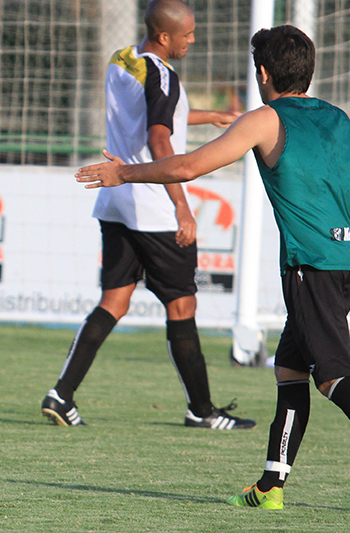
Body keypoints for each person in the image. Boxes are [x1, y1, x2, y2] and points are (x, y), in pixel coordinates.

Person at [75, 24, 350, 518]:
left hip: (311, 266)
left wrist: (123, 172)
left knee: (333, 376)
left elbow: (187, 167)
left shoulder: (266, 120)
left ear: (263, 74)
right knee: (290, 369)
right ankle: (271, 484)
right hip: (345, 259)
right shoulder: (338, 118)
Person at [41, 0, 255, 430]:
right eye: (187, 35)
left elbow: (155, 115)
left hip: (116, 203)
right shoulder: (163, 74)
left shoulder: (123, 59)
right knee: (182, 306)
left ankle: (61, 395)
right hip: (153, 208)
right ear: (164, 37)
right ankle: (202, 411)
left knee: (113, 302)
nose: (192, 41)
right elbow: (160, 140)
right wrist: (181, 205)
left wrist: (210, 115)